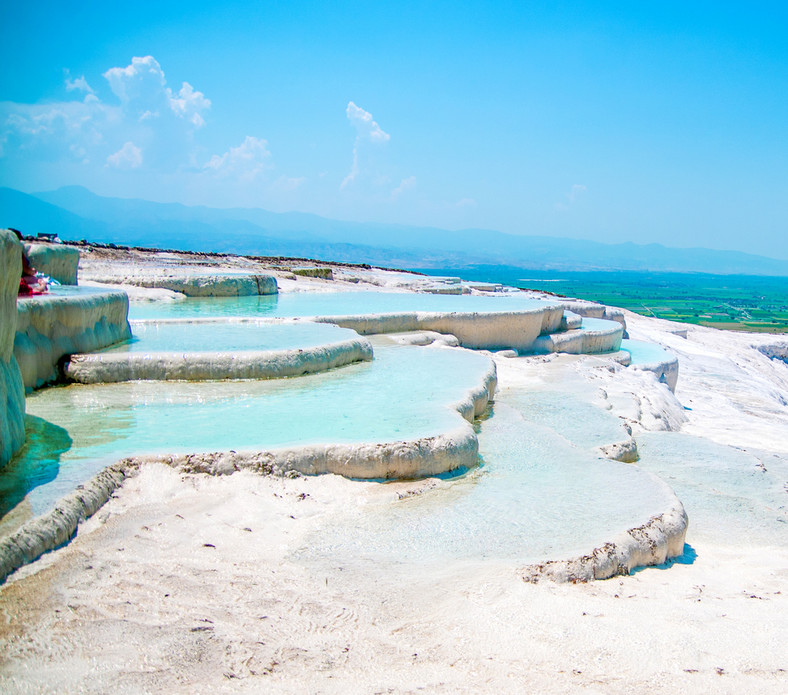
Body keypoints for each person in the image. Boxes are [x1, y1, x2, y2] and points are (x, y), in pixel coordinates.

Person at [10, 229, 49, 295]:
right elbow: (25, 269)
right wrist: (33, 272)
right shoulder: (18, 251)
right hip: (19, 278)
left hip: (15, 277)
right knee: (39, 282)